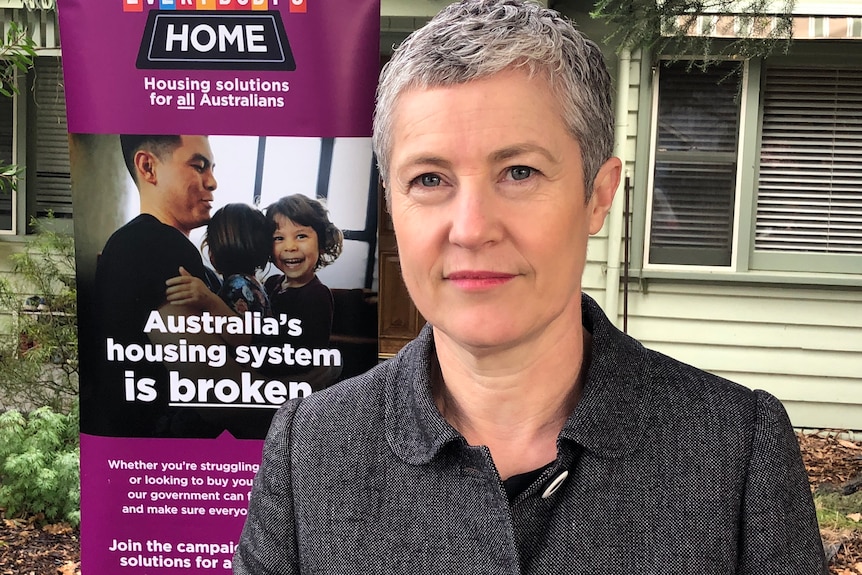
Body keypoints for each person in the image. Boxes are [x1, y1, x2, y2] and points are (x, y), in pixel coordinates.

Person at [234, 1, 827, 573]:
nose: (470, 230)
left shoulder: (734, 452)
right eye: (430, 178)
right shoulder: (309, 456)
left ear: (597, 195)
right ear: (392, 203)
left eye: (519, 172)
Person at [89, 134, 232, 437]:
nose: (212, 182)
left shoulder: (130, 241)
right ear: (148, 167)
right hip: (163, 454)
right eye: (198, 166)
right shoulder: (159, 243)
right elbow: (217, 391)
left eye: (212, 168)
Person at [264, 194, 343, 352]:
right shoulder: (272, 283)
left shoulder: (317, 295)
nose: (290, 247)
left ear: (322, 243)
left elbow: (310, 353)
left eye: (301, 236)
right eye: (278, 238)